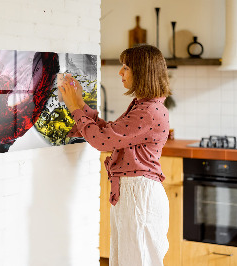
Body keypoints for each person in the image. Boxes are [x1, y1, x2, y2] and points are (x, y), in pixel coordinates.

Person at [58, 44, 171, 266]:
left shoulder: (148, 111)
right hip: (133, 193)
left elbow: (102, 141)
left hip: (139, 195)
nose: (120, 72)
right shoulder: (144, 106)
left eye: (126, 67)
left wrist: (74, 107)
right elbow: (110, 133)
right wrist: (80, 103)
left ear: (142, 71)